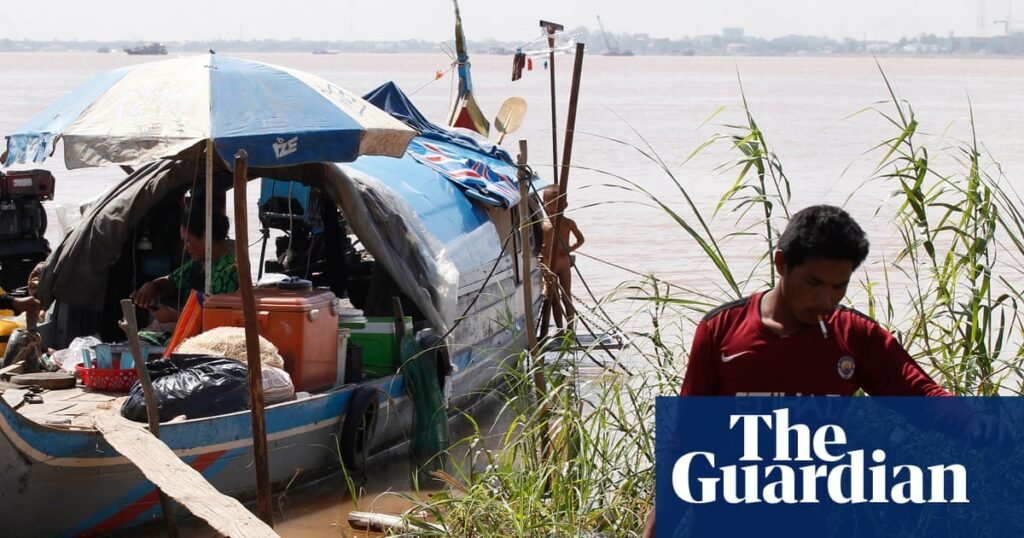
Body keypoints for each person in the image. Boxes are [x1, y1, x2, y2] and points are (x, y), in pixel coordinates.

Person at [642, 204, 1008, 537]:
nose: (825, 301)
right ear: (782, 264)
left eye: (839, 287)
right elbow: (686, 442)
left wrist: (972, 420)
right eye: (814, 284)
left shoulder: (854, 336)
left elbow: (920, 395)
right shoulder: (721, 330)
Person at [130, 209, 238, 324]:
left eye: (189, 241)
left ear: (206, 237)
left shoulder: (229, 269)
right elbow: (172, 280)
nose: (186, 247)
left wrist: (174, 317)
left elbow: (219, 319)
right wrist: (153, 286)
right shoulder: (199, 263)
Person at [540, 186, 585, 331]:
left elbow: (580, 239)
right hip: (549, 265)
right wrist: (542, 252)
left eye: (557, 204)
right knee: (553, 298)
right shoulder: (541, 224)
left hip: (564, 263)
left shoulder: (568, 223)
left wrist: (568, 250)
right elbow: (533, 243)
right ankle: (560, 329)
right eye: (550, 204)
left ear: (565, 205)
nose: (553, 208)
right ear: (543, 203)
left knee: (567, 296)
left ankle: (570, 328)